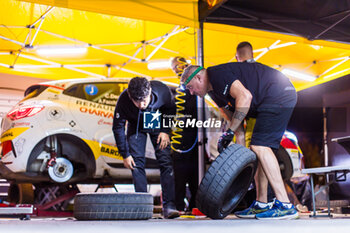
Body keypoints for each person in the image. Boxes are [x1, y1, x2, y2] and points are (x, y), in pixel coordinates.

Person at [180, 62, 298, 220]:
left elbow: (245, 96)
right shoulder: (214, 93)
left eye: (190, 87)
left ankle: (285, 205)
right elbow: (238, 127)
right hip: (268, 100)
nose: (191, 92)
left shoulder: (217, 75)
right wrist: (236, 153)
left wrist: (229, 132)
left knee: (260, 146)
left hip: (278, 93)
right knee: (257, 150)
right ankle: (261, 203)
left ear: (199, 78)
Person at [112, 77, 179, 219]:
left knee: (165, 161)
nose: (142, 104)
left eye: (144, 100)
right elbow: (117, 128)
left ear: (150, 93)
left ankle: (169, 205)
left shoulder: (161, 90)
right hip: (135, 125)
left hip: (155, 119)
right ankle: (143, 206)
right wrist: (125, 154)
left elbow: (171, 108)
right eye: (137, 101)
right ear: (131, 97)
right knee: (136, 164)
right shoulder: (123, 100)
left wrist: (165, 130)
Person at [170, 56, 198, 214]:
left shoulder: (190, 89)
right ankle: (180, 207)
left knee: (191, 176)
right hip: (183, 140)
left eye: (177, 67)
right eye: (174, 68)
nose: (176, 70)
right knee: (181, 176)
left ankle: (190, 206)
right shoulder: (180, 90)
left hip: (192, 139)